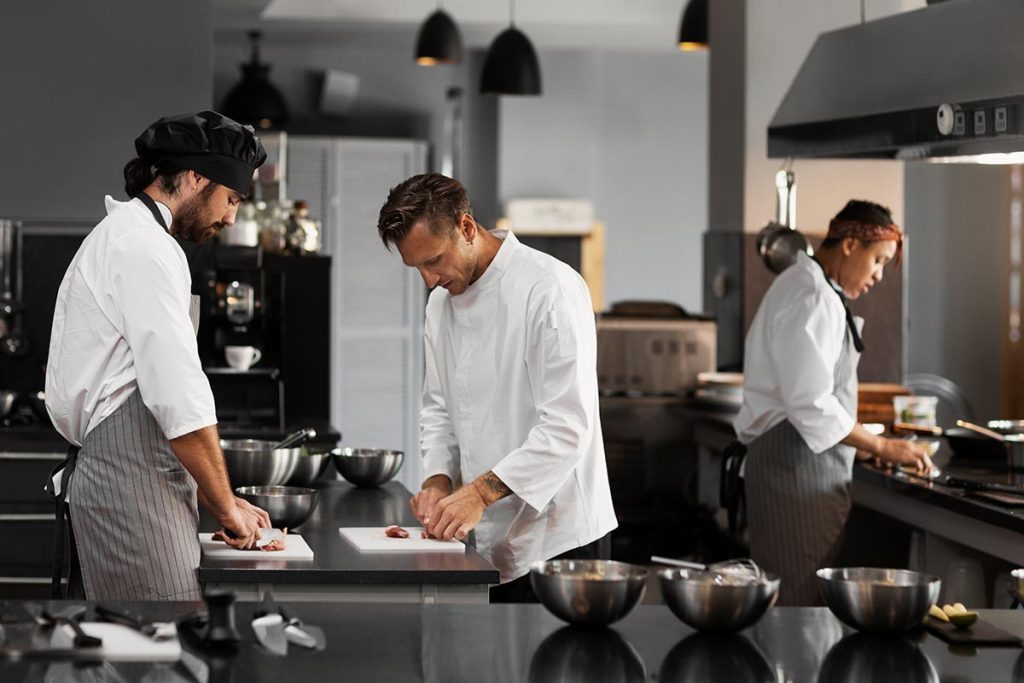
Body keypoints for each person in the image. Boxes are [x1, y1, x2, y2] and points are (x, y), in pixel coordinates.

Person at [44, 110, 272, 601]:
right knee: (162, 641)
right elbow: (178, 396)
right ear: (195, 178)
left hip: (131, 476)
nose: (231, 218)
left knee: (125, 642)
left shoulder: (132, 237)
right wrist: (225, 507)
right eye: (232, 199)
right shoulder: (142, 247)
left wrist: (219, 495)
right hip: (130, 484)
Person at [376, 173, 618, 601]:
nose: (429, 280)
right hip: (488, 535)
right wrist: (438, 480)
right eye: (417, 269)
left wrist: (478, 494)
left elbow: (567, 427)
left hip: (559, 539)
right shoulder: (440, 304)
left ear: (467, 227)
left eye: (434, 260)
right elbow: (439, 407)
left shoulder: (549, 288)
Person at [733, 199, 933, 606]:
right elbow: (810, 404)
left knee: (797, 599)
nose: (878, 275)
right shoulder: (812, 295)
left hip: (801, 466)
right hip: (794, 468)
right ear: (850, 245)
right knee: (798, 602)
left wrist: (858, 449)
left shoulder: (811, 286)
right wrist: (882, 446)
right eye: (878, 261)